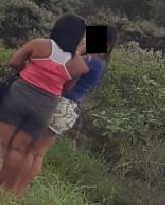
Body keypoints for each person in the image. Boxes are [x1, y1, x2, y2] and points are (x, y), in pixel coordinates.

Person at [0, 15, 89, 193]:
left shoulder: (40, 45)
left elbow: (14, 61)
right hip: (46, 105)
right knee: (19, 149)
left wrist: (27, 72)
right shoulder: (79, 65)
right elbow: (67, 88)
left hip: (21, 93)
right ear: (78, 37)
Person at [7, 25, 119, 194]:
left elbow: (68, 69)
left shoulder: (92, 62)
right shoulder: (99, 64)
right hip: (69, 108)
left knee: (32, 150)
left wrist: (80, 52)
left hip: (59, 103)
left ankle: (12, 189)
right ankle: (16, 190)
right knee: (38, 153)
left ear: (106, 44)